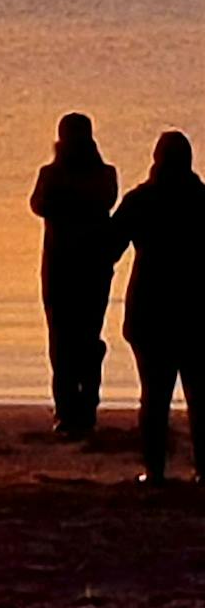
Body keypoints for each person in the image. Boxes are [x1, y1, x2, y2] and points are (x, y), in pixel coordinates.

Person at [106, 130, 205, 487]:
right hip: (196, 310)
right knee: (200, 396)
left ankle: (155, 470)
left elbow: (109, 247)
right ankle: (203, 470)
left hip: (150, 309)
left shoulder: (141, 200)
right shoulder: (203, 202)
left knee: (154, 396)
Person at [29, 112, 119, 440]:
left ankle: (75, 409)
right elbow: (39, 204)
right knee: (79, 339)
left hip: (70, 268)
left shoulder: (62, 175)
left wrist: (65, 199)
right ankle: (76, 409)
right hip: (85, 268)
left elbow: (42, 204)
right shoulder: (96, 175)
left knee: (69, 340)